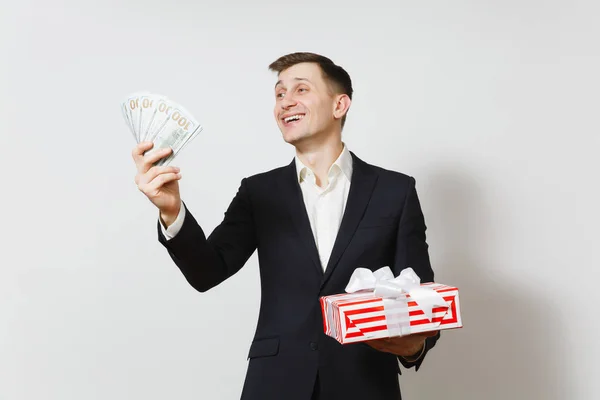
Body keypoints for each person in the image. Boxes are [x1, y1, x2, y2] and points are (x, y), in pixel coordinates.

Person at [132, 52, 440, 400]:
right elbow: (207, 272)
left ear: (340, 104)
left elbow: (421, 296)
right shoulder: (259, 192)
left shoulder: (394, 191)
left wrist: (414, 346)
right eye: (279, 94)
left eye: (301, 90)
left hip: (365, 384)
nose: (285, 102)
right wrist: (172, 211)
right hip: (276, 383)